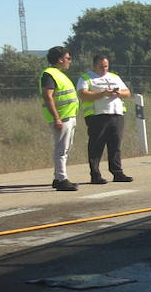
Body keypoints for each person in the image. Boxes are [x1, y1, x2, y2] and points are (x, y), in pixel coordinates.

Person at [76, 53, 134, 184]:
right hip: (97, 116)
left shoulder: (114, 77)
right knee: (96, 145)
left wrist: (119, 93)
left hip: (116, 114)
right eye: (101, 66)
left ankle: (117, 172)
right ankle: (95, 174)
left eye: (106, 66)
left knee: (115, 144)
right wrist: (103, 94)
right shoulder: (86, 78)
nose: (104, 69)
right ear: (94, 65)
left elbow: (128, 92)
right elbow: (83, 95)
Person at [40, 46, 80, 191]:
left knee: (66, 148)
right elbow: (47, 96)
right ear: (60, 59)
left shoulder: (59, 74)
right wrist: (56, 118)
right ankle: (62, 179)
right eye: (68, 58)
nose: (70, 61)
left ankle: (58, 178)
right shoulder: (50, 74)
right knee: (61, 149)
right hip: (61, 117)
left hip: (68, 116)